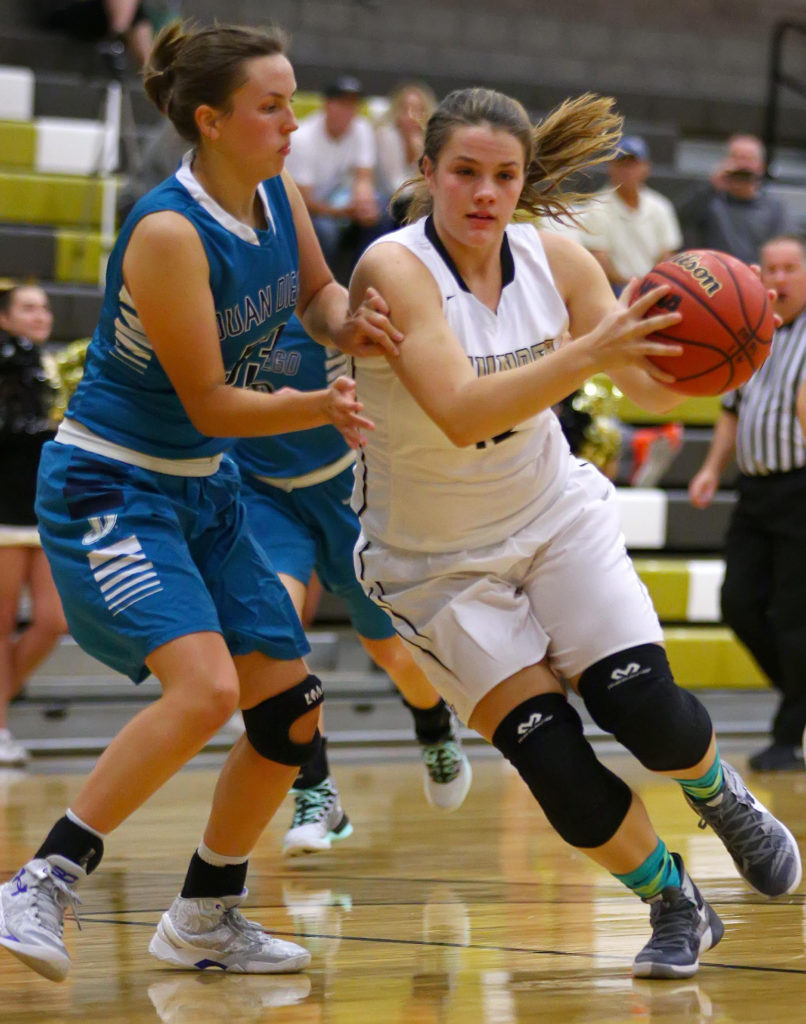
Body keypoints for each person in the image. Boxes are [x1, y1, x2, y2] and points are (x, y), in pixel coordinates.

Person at [348, 88, 801, 980]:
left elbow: (646, 395)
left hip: (552, 516)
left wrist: (714, 348)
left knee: (649, 714)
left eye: (504, 175)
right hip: (435, 562)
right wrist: (592, 352)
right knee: (552, 761)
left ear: (524, 182)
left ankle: (720, 795)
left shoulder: (555, 257)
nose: (485, 193)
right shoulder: (392, 270)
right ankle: (675, 900)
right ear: (428, 172)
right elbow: (456, 410)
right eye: (465, 172)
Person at [0, 20, 404, 984]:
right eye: (273, 106)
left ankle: (207, 914)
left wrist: (360, 324)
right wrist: (320, 401)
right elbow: (212, 400)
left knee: (291, 715)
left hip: (203, 487)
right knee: (208, 689)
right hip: (113, 484)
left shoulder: (280, 196)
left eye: (294, 101)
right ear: (213, 121)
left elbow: (318, 303)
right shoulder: (171, 232)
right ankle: (42, 880)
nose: (294, 123)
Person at [232, 313, 472, 857]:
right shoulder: (219, 311)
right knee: (269, 638)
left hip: (346, 486)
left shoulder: (328, 312)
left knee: (391, 651)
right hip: (262, 494)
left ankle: (433, 724)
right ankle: (316, 790)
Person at [689, 235, 806, 773]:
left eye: (791, 268)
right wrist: (712, 469)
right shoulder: (747, 330)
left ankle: (788, 735)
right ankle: (798, 697)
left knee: (792, 616)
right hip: (754, 491)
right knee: (737, 603)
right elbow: (732, 411)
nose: (779, 278)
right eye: (772, 267)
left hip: (800, 488)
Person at [0, 285, 68, 767]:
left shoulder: (59, 366)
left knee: (53, 620)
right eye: (27, 307)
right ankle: (0, 728)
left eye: (44, 307)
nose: (39, 314)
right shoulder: (6, 364)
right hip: (4, 504)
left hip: (45, 507)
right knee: (1, 624)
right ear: (4, 318)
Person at [285, 76, 386, 281]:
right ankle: (321, 288)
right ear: (327, 105)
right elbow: (303, 201)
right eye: (341, 103)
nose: (347, 111)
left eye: (352, 104)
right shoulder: (302, 137)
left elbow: (363, 177)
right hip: (308, 207)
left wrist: (363, 203)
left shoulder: (361, 127)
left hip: (335, 198)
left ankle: (366, 280)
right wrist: (344, 212)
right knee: (325, 231)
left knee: (382, 211)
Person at [576, 135, 682, 295]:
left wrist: (649, 285)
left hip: (653, 287)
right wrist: (632, 288)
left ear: (646, 167)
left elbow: (668, 254)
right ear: (610, 167)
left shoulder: (661, 206)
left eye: (633, 164)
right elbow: (599, 258)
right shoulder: (596, 206)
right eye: (621, 164)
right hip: (612, 289)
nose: (627, 171)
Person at [678, 134, 791, 265]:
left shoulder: (774, 207)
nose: (742, 166)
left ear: (761, 166)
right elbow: (682, 219)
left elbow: (782, 246)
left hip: (755, 275)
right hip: (714, 274)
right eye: (737, 158)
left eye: (748, 159)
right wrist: (712, 186)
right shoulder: (709, 198)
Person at [375, 82, 437, 214]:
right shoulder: (386, 136)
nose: (411, 116)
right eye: (405, 110)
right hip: (387, 198)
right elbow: (393, 186)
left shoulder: (432, 140)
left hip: (415, 199)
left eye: (418, 110)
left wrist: (419, 153)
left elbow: (431, 182)